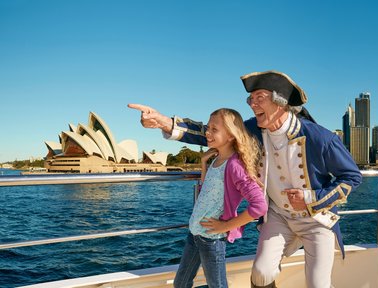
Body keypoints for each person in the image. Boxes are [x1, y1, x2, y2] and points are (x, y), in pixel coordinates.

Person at [128, 70, 362, 288]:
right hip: (278, 216)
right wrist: (164, 122)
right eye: (250, 99)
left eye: (259, 97)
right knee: (261, 273)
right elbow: (211, 133)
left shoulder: (320, 137)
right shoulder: (254, 130)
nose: (251, 103)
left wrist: (312, 197)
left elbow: (351, 177)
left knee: (318, 283)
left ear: (281, 103)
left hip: (316, 219)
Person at [161, 108, 267, 288]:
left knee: (216, 285)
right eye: (208, 128)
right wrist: (203, 164)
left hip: (211, 239)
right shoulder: (217, 159)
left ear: (232, 135)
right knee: (180, 283)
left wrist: (226, 226)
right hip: (194, 233)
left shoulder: (235, 165)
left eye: (214, 129)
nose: (208, 133)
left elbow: (259, 206)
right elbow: (207, 191)